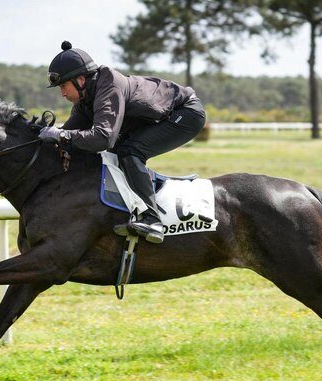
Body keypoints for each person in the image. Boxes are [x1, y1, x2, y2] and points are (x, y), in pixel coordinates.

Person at [39, 41, 206, 244]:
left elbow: (102, 138)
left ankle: (153, 220)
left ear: (80, 80)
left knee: (129, 152)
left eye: (63, 86)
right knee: (113, 155)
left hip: (186, 113)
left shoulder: (109, 85)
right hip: (161, 116)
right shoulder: (85, 100)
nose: (63, 93)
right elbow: (67, 135)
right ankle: (127, 212)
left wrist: (62, 136)